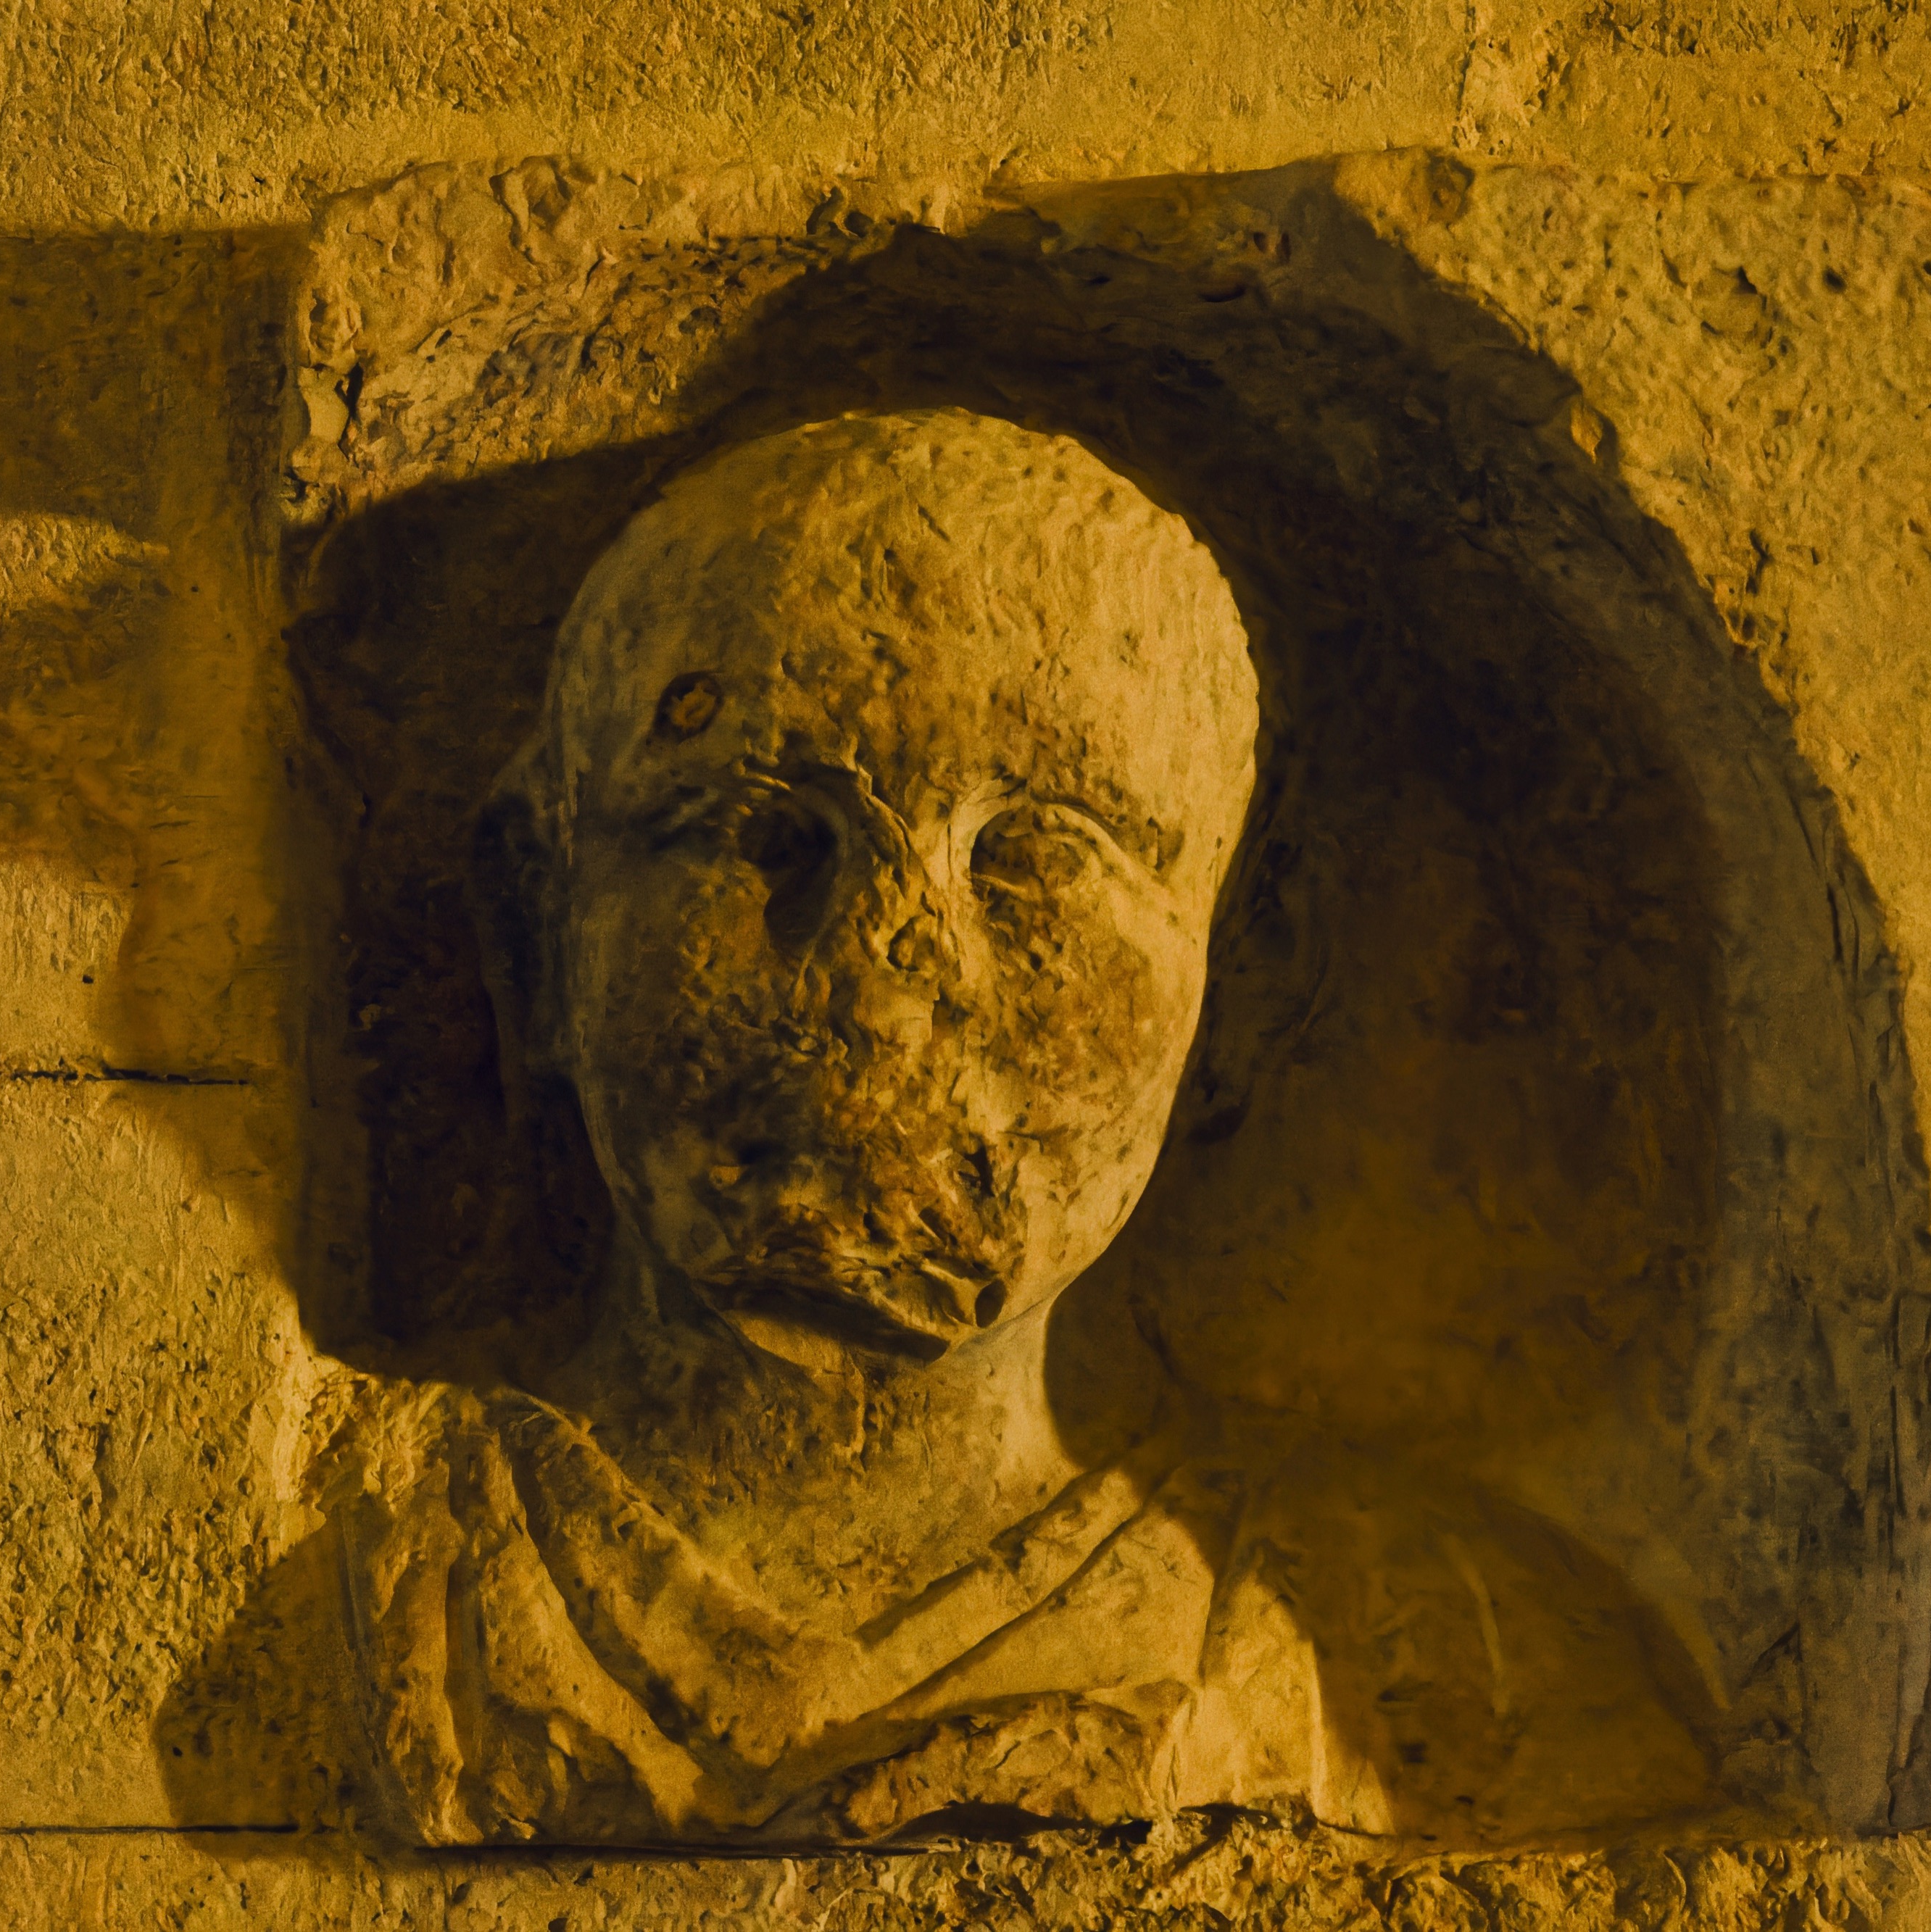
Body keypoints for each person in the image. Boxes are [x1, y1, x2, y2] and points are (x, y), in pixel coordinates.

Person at [326, 409, 1718, 1847]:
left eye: (1037, 853)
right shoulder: (363, 1569)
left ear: (1235, 985)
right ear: (536, 928)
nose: (883, 981)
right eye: (754, 833)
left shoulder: (1438, 1662)